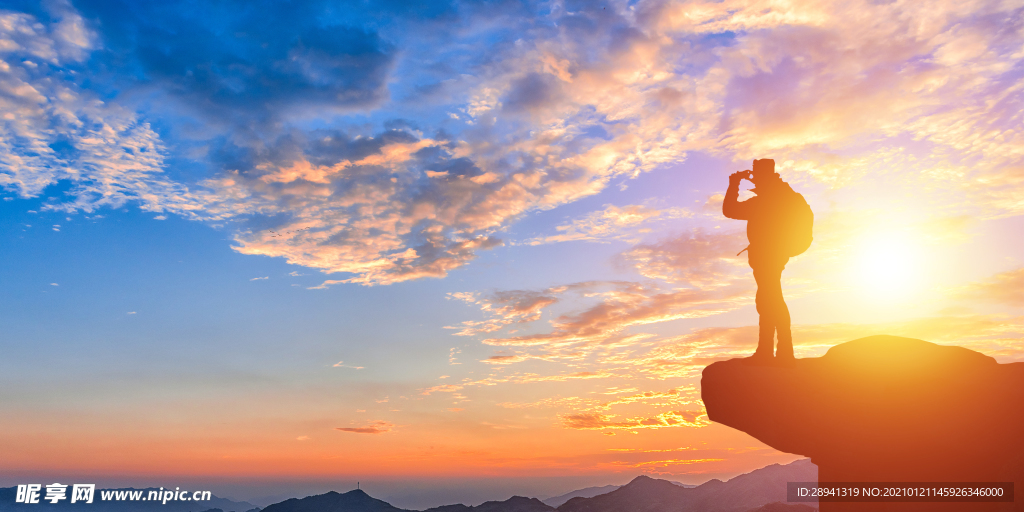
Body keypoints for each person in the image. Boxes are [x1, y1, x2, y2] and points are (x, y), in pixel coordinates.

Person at [723, 158, 807, 362]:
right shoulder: (782, 195)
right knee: (768, 298)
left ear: (763, 177)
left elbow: (730, 210)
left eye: (755, 176)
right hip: (773, 254)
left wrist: (734, 184)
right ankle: (771, 350)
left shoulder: (768, 199)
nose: (753, 180)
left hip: (769, 254)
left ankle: (778, 351)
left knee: (771, 299)